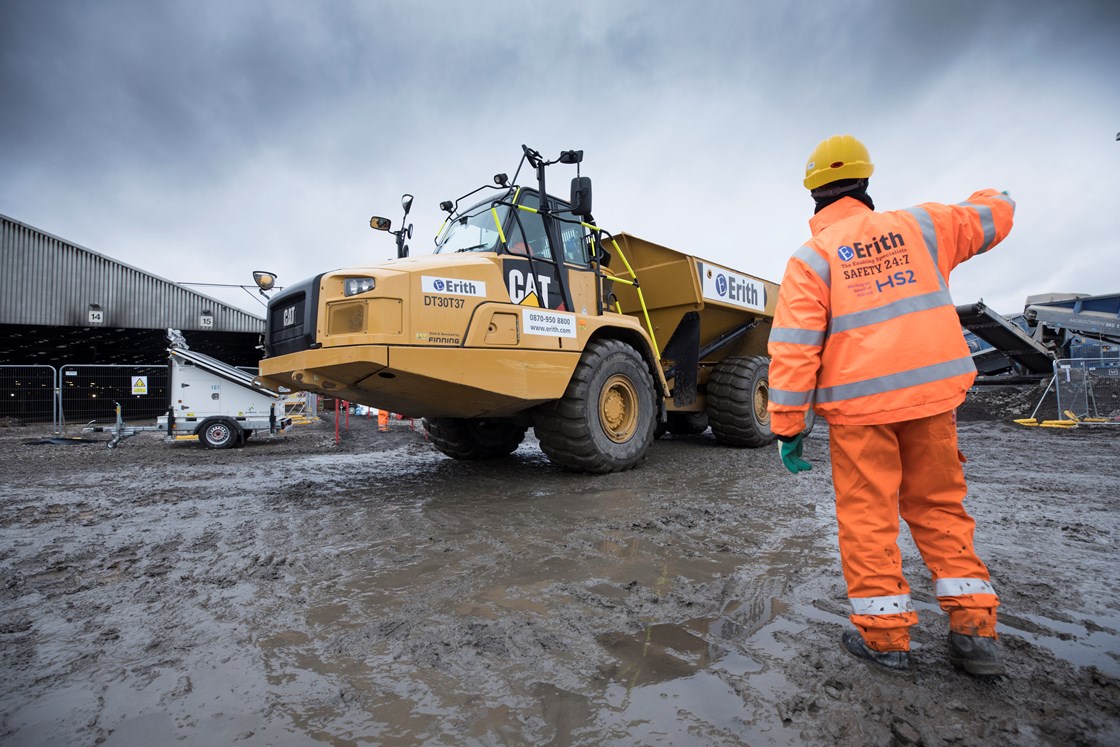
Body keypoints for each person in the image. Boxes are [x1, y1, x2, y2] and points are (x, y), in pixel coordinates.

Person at [767, 134, 1015, 676]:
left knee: (868, 519)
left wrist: (788, 427)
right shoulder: (924, 226)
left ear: (812, 192)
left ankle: (887, 640)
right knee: (941, 508)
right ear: (866, 180)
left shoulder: (811, 258)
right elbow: (994, 213)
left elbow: (792, 348)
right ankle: (975, 634)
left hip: (859, 414)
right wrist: (999, 191)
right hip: (930, 402)